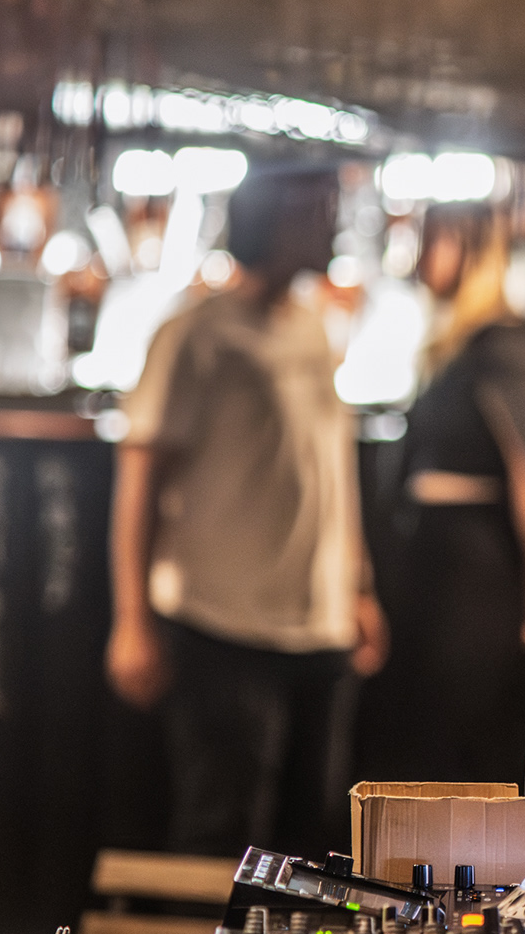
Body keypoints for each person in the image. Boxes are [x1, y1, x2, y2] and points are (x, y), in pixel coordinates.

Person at [106, 162, 388, 858]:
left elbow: (331, 469)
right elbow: (139, 476)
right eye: (314, 211)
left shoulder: (314, 326)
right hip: (221, 625)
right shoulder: (195, 333)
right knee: (220, 840)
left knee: (314, 843)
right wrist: (131, 620)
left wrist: (359, 587)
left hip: (319, 627)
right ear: (272, 220)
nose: (330, 224)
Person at [358, 205, 525, 784]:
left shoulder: (500, 347)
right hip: (437, 559)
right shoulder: (457, 345)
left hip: (473, 564)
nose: (421, 258)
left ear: (474, 254)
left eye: (437, 241)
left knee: (462, 725)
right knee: (434, 724)